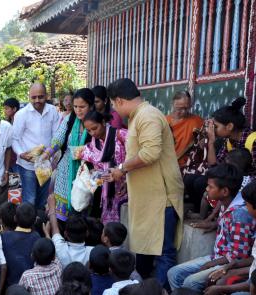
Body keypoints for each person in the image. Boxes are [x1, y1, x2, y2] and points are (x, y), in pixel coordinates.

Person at [108, 78, 184, 286]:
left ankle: (158, 291)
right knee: (147, 248)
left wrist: (122, 169)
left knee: (163, 252)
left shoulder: (148, 115)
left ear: (120, 101)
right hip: (147, 196)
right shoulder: (138, 116)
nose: (114, 109)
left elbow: (150, 153)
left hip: (161, 196)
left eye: (114, 104)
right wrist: (124, 174)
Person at [167, 164, 256, 292]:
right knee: (173, 273)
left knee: (190, 282)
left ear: (224, 191)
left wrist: (211, 264)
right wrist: (216, 223)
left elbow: (238, 256)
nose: (206, 189)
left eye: (210, 186)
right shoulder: (226, 203)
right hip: (216, 256)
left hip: (227, 262)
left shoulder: (239, 214)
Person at [43, 88, 95, 220]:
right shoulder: (70, 119)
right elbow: (59, 138)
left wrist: (80, 152)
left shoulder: (97, 123)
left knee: (82, 204)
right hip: (66, 168)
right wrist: (48, 153)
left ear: (91, 105)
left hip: (87, 171)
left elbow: (98, 148)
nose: (78, 110)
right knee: (62, 211)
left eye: (82, 107)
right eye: (76, 106)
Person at [12, 83, 59, 208]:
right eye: (34, 97)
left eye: (40, 97)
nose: (37, 100)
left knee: (43, 200)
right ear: (29, 97)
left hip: (46, 163)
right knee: (29, 199)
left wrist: (50, 153)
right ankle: (28, 226)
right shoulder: (22, 114)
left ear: (46, 96)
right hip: (28, 165)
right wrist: (21, 154)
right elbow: (14, 139)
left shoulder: (53, 111)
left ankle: (40, 226)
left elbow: (57, 135)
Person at [78, 110, 128, 223]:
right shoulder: (94, 144)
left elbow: (137, 157)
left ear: (103, 122)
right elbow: (87, 158)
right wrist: (93, 170)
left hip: (126, 190)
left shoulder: (121, 135)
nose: (92, 133)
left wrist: (127, 181)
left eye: (95, 128)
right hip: (108, 194)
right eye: (88, 130)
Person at [207, 97, 256, 175]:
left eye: (216, 127)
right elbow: (214, 167)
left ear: (229, 126)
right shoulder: (229, 141)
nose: (213, 130)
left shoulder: (253, 141)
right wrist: (211, 143)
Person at [44, 195, 93, 268]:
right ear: (87, 233)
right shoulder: (92, 252)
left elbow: (55, 229)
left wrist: (52, 207)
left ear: (65, 234)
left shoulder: (60, 248)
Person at [1, 203, 40, 286]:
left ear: (15, 218)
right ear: (35, 220)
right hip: (31, 285)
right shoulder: (37, 237)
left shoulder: (4, 237)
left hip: (11, 286)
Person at [165, 91, 203, 167]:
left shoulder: (197, 121)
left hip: (190, 166)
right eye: (179, 108)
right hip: (168, 166)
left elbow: (203, 144)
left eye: (186, 108)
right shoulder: (164, 121)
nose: (184, 111)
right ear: (172, 104)